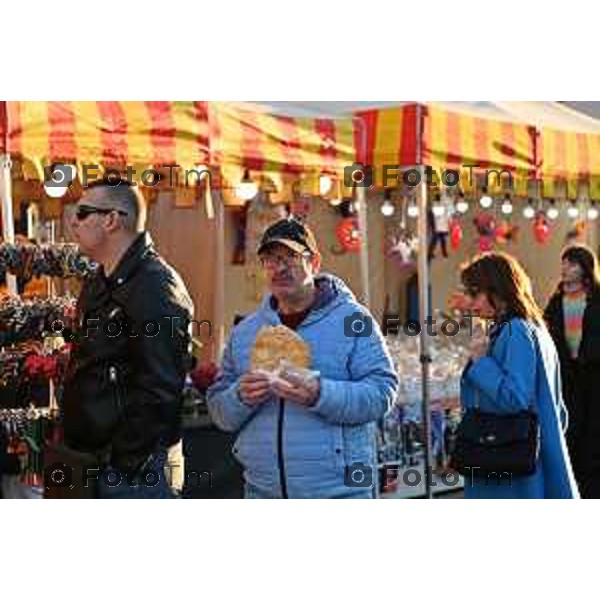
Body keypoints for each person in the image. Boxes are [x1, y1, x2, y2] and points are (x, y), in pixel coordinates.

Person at [207, 217, 398, 499]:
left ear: (315, 262)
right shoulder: (246, 332)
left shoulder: (353, 320)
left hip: (338, 493)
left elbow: (383, 393)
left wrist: (321, 394)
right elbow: (219, 411)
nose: (280, 268)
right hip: (263, 492)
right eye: (271, 260)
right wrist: (240, 397)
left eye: (291, 257)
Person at [59, 179, 194, 499]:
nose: (73, 222)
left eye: (82, 213)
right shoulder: (98, 281)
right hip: (95, 462)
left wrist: (124, 460)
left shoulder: (156, 287)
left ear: (111, 220)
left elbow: (162, 388)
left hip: (132, 473)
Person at [458, 252, 578, 499]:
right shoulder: (535, 328)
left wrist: (480, 362)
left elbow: (515, 397)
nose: (470, 302)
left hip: (508, 470)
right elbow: (558, 411)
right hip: (531, 461)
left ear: (497, 289)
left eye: (474, 292)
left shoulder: (515, 331)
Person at [544, 245, 600, 498]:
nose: (565, 268)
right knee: (571, 428)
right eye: (564, 262)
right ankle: (572, 484)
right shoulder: (556, 301)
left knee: (594, 429)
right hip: (567, 375)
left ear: (585, 268)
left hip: (594, 374)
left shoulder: (597, 297)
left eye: (572, 264)